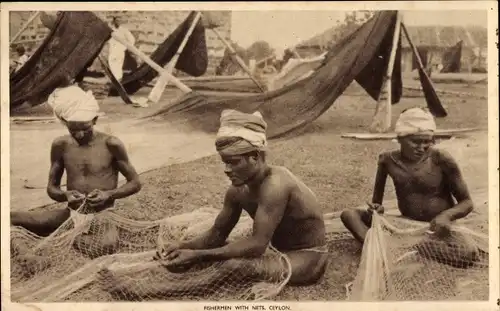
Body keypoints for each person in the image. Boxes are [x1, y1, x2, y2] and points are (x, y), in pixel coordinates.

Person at [97, 109, 329, 300]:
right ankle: (150, 275)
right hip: (276, 247)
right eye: (224, 162)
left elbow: (257, 245)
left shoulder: (276, 185)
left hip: (307, 257)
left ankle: (144, 293)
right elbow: (217, 233)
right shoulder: (238, 190)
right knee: (214, 251)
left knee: (234, 266)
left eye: (233, 162)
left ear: (255, 157)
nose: (227, 169)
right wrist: (184, 246)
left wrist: (199, 255)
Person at [11, 75, 142, 260]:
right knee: (10, 217)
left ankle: (64, 238)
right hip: (71, 213)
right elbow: (52, 188)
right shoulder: (60, 145)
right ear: (64, 122)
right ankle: (30, 252)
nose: (79, 134)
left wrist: (108, 195)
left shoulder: (111, 144)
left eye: (85, 129)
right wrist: (65, 195)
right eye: (73, 129)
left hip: (102, 215)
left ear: (95, 120)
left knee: (106, 246)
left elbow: (136, 183)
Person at [340, 107, 479, 267]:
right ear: (400, 138)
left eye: (426, 142)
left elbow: (467, 202)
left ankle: (404, 246)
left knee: (468, 253)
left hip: (438, 226)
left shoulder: (441, 159)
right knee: (349, 215)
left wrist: (446, 216)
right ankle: (381, 246)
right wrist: (376, 210)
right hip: (406, 223)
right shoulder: (387, 160)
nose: (421, 148)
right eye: (416, 142)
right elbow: (377, 205)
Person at [108, 16, 136, 81]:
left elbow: (132, 40)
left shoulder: (124, 30)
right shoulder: (111, 30)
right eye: (116, 21)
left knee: (118, 67)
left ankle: (119, 80)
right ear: (114, 21)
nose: (118, 22)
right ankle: (115, 81)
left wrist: (125, 47)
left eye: (119, 21)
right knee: (112, 65)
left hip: (119, 51)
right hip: (112, 51)